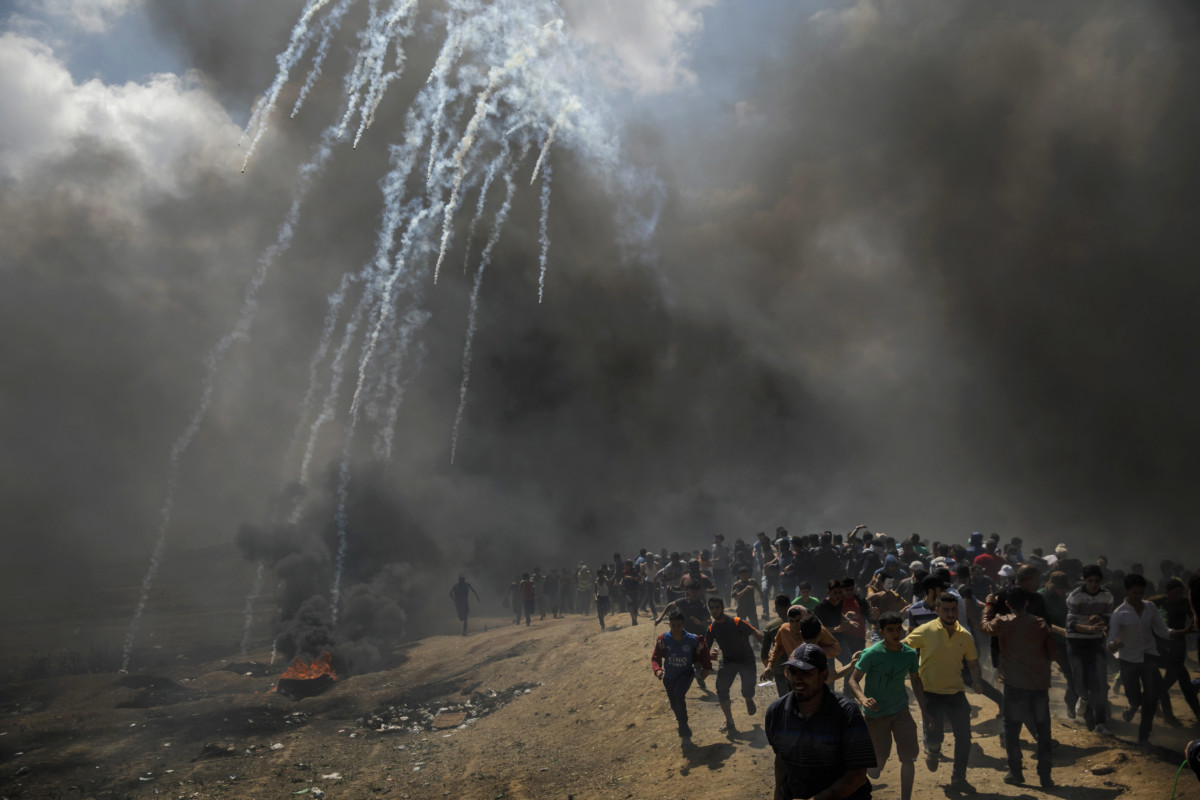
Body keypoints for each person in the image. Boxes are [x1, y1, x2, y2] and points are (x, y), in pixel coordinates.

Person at [765, 643, 878, 800]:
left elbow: (857, 775)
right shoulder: (776, 712)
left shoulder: (846, 713)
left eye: (806, 673)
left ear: (823, 676)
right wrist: (778, 793)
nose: (798, 679)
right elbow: (781, 759)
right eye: (792, 671)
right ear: (785, 673)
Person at [905, 593, 983, 794]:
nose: (950, 613)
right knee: (934, 737)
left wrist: (976, 681)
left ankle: (959, 778)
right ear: (937, 610)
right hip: (930, 694)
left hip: (956, 694)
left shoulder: (965, 635)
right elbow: (903, 648)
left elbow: (973, 663)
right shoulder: (924, 631)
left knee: (964, 738)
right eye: (945, 610)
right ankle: (932, 750)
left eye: (953, 609)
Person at [981, 587, 1057, 788]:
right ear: (1026, 603)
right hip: (1038, 686)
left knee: (1012, 731)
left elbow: (984, 627)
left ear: (1007, 604)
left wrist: (989, 605)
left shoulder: (1002, 622)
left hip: (1014, 686)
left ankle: (1016, 773)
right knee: (1043, 731)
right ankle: (1045, 776)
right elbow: (1052, 653)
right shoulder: (1040, 624)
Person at [848, 611, 926, 800]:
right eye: (890, 630)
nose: (896, 634)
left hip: (900, 711)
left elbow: (916, 682)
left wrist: (926, 711)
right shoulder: (872, 654)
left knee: (908, 758)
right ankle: (873, 768)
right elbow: (853, 680)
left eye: (899, 629)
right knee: (878, 762)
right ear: (881, 632)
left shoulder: (908, 654)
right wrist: (863, 699)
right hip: (876, 714)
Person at [1107, 572, 1180, 745]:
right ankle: (1133, 706)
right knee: (1135, 698)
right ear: (1127, 591)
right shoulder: (1119, 613)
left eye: (1141, 593)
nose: (1138, 597)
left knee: (1151, 698)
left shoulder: (1150, 607)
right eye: (1134, 593)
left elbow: (1162, 630)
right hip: (1128, 659)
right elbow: (1110, 641)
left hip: (1149, 656)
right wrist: (1114, 644)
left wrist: (1180, 632)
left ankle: (1144, 737)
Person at [704, 596, 764, 734]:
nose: (714, 610)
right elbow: (705, 650)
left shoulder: (736, 622)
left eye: (717, 607)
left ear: (722, 608)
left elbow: (756, 634)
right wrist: (708, 657)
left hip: (746, 659)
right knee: (721, 689)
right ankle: (730, 722)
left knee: (747, 689)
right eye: (711, 608)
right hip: (728, 661)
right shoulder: (712, 629)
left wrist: (769, 652)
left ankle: (748, 698)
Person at [1066, 564, 1114, 733]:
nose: (1094, 584)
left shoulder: (1106, 596)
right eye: (1090, 580)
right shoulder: (1076, 596)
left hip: (1096, 643)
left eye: (1097, 581)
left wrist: (1101, 620)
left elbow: (1109, 618)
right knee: (1080, 681)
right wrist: (1089, 628)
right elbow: (1071, 624)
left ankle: (1100, 722)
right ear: (1084, 580)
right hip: (1076, 643)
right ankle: (1084, 698)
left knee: (1100, 683)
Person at [651, 609, 713, 738]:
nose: (676, 628)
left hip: (685, 674)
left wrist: (706, 668)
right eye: (673, 625)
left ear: (683, 625)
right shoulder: (663, 639)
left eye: (679, 625)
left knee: (679, 696)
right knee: (674, 703)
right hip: (669, 677)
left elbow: (704, 652)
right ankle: (681, 723)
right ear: (669, 625)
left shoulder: (693, 639)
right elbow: (656, 657)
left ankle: (684, 725)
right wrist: (657, 670)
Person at [1150, 578, 1200, 725]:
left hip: (1178, 645)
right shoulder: (1156, 603)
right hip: (1161, 647)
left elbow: (1194, 617)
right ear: (1167, 592)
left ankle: (1159, 706)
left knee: (1177, 680)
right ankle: (1170, 715)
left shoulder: (1186, 603)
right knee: (1183, 680)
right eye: (1175, 592)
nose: (1178, 595)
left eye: (1180, 592)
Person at [594, 566, 612, 630]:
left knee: (606, 610)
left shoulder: (606, 581)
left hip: (606, 597)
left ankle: (603, 614)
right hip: (600, 598)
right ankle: (602, 625)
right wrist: (596, 598)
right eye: (599, 574)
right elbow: (595, 592)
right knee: (599, 613)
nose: (600, 575)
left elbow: (610, 588)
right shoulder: (596, 582)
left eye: (601, 574)